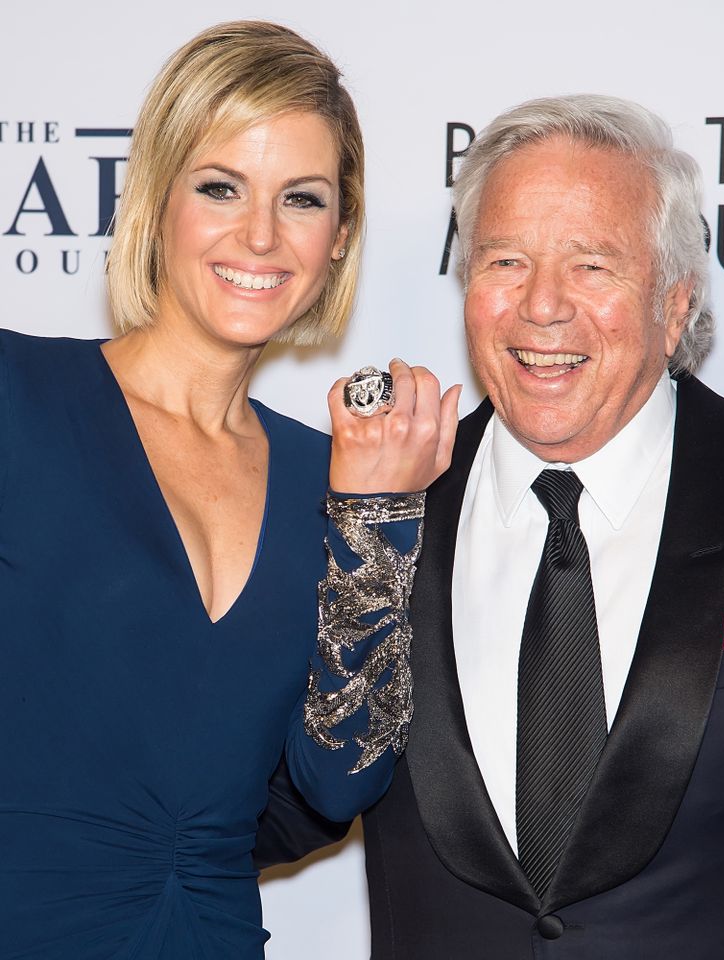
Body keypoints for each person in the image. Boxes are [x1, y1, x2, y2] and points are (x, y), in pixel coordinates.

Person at [259, 94, 724, 957]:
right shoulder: (372, 511)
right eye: (505, 261)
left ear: (674, 305)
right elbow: (276, 805)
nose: (541, 306)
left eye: (592, 266)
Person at [0, 20, 459, 960]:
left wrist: (373, 523)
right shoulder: (17, 399)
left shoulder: (329, 481)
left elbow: (338, 785)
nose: (259, 235)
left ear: (339, 237)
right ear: (157, 199)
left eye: (302, 199)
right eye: (220, 187)